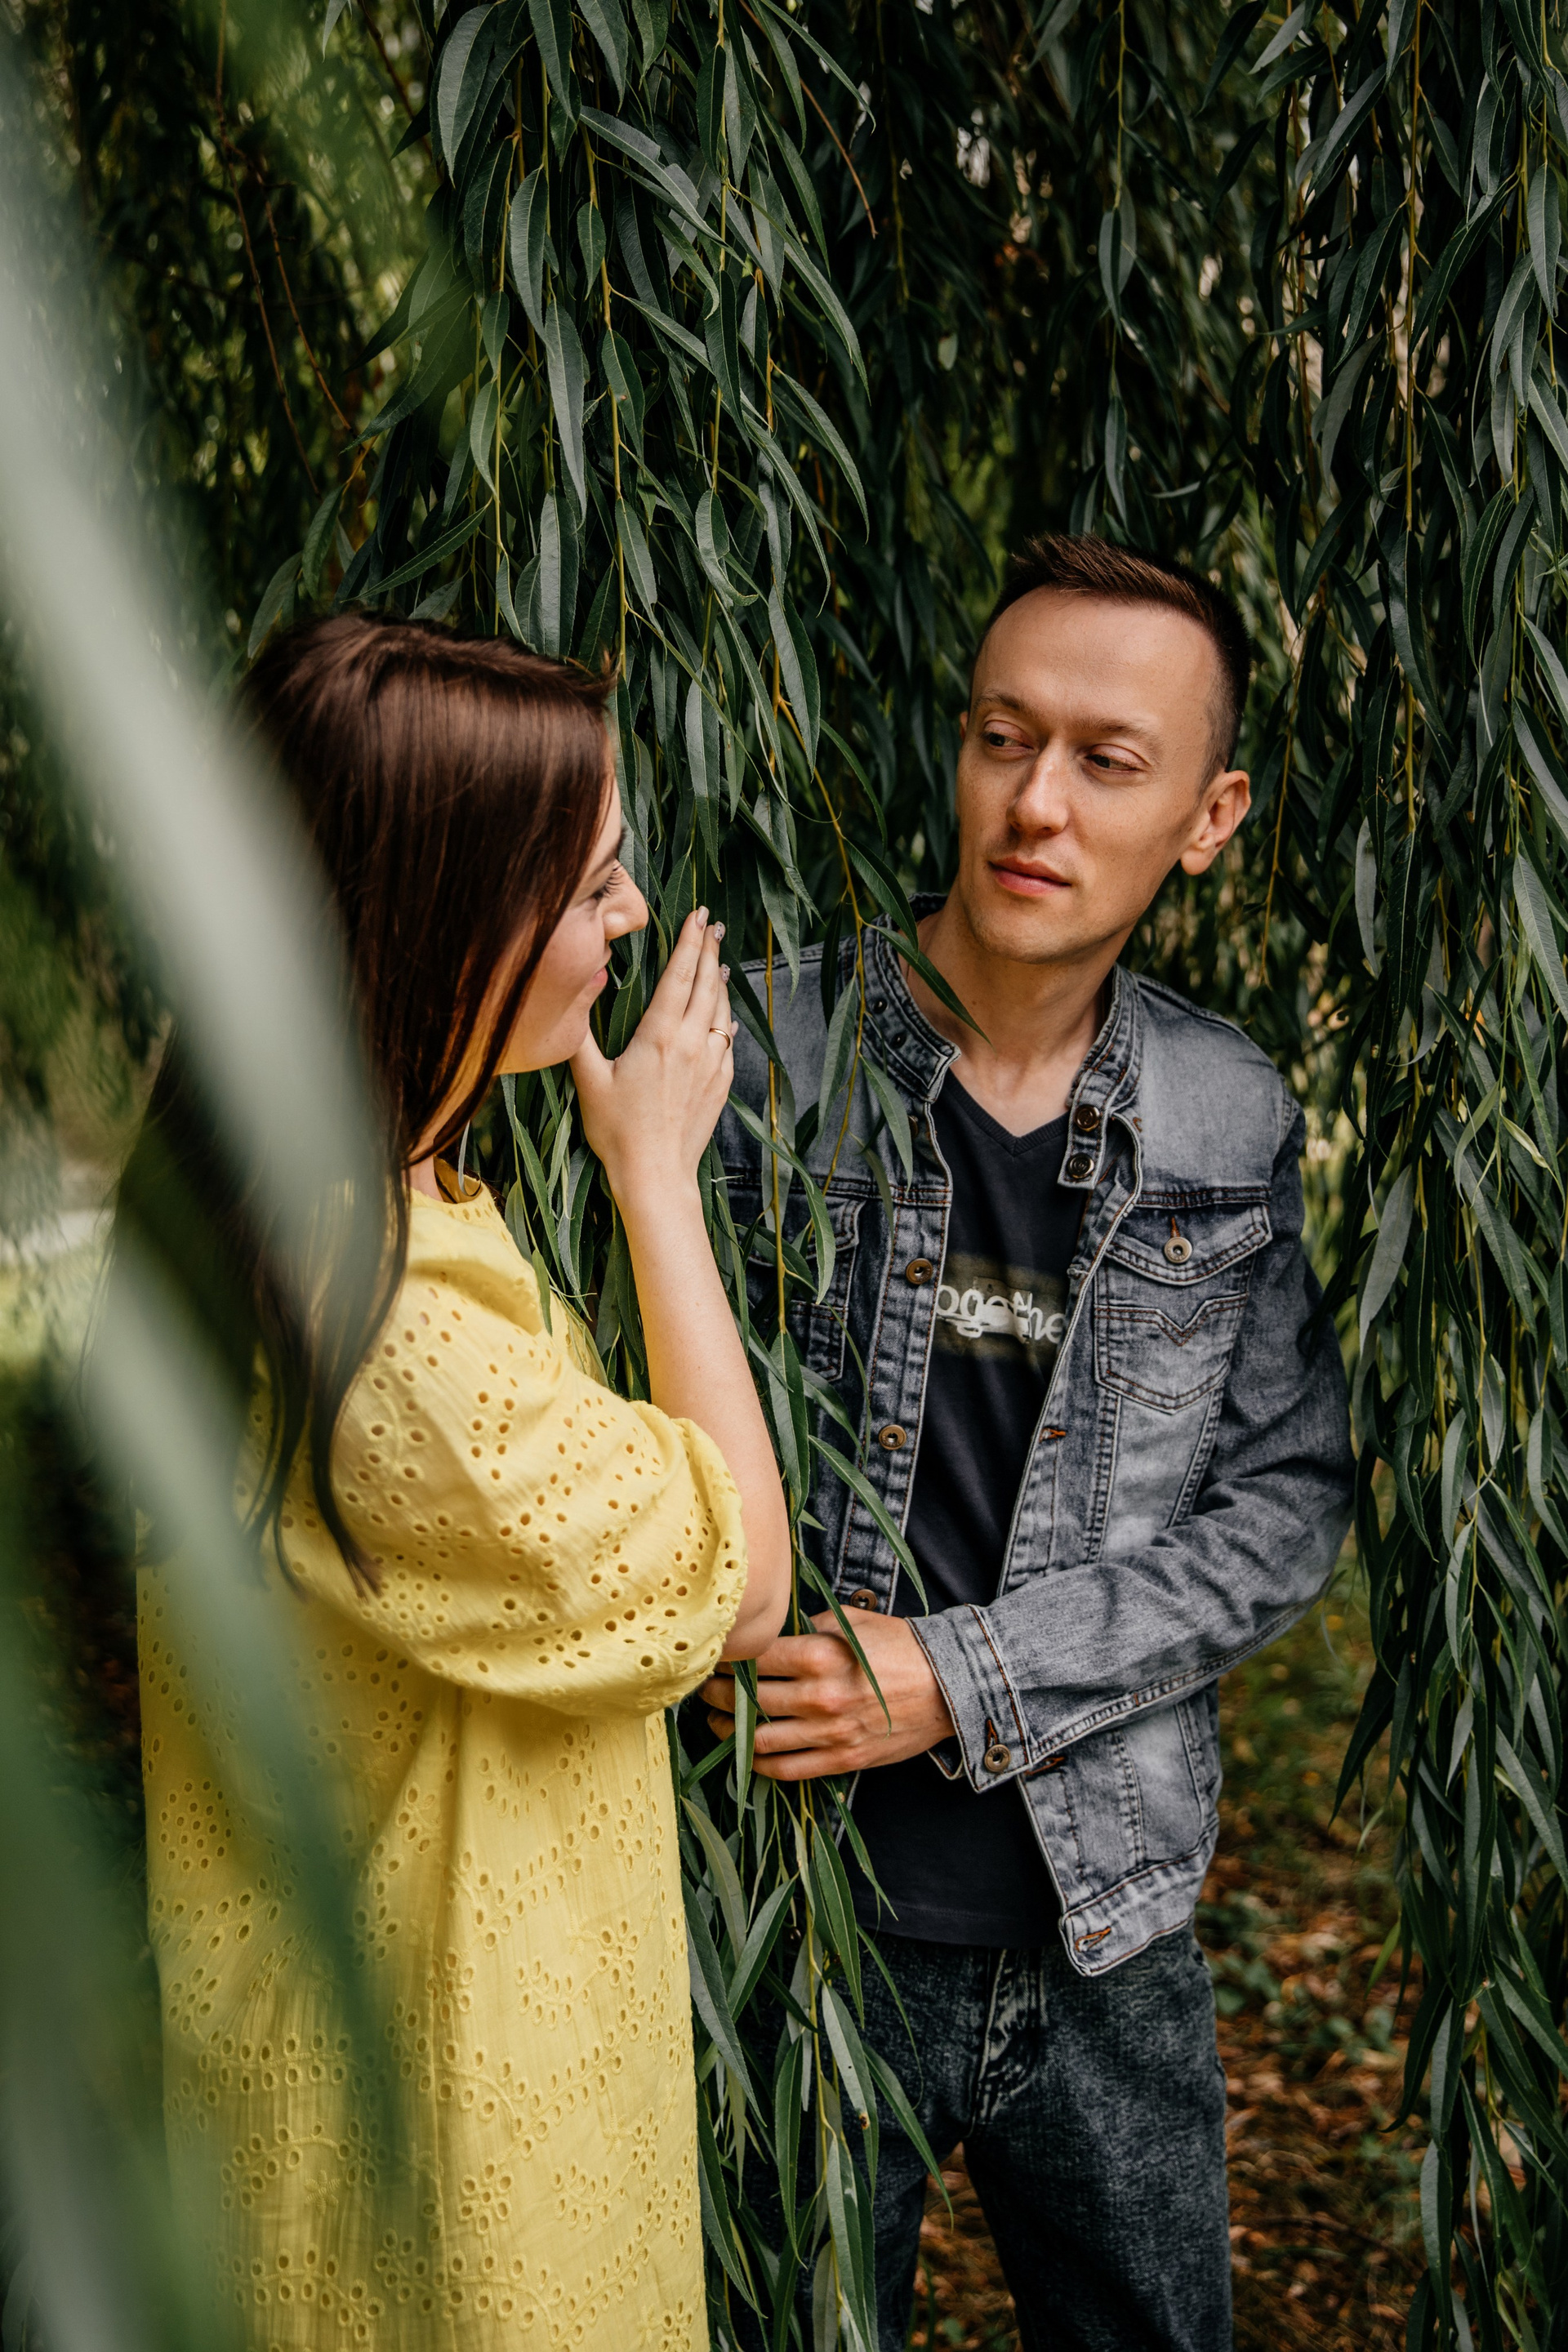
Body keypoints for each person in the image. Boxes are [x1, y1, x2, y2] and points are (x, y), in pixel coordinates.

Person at [706, 534, 1355, 2352]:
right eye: (1005, 737)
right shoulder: (756, 1060)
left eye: (1106, 760)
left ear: (1209, 819)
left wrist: (965, 1675)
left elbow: (1284, 1507)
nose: (1036, 802)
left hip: (1106, 1933)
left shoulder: (1226, 1113)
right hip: (803, 1913)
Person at [121, 616, 791, 2350]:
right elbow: (745, 1584)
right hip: (453, 2164)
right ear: (442, 918)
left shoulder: (345, 1206)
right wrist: (656, 1186)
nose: (631, 917)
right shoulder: (383, 1323)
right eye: (592, 884)